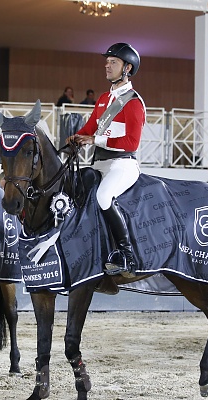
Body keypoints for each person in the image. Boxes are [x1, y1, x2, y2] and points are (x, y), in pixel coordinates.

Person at [67, 42, 145, 277]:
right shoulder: (102, 99)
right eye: (107, 62)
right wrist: (76, 137)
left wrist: (94, 140)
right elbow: (90, 128)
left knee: (103, 196)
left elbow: (132, 142)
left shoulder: (133, 102)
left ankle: (127, 255)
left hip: (123, 164)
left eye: (113, 62)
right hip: (100, 164)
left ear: (127, 68)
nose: (107, 66)